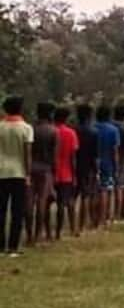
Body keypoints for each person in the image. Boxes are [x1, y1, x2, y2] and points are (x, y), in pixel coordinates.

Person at [0, 97, 33, 256]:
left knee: (1, 210)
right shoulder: (26, 128)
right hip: (19, 173)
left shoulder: (0, 126)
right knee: (17, 211)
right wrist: (28, 174)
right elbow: (27, 154)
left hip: (1, 172)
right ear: (20, 109)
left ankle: (0, 246)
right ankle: (13, 247)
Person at [28, 102, 57, 245]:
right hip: (45, 169)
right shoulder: (52, 131)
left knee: (29, 202)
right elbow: (54, 156)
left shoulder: (31, 129)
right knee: (42, 202)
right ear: (50, 114)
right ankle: (38, 234)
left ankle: (28, 235)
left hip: (30, 168)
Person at [52, 107, 80, 240]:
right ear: (66, 118)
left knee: (47, 204)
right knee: (66, 203)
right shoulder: (71, 133)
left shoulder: (52, 131)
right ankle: (70, 229)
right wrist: (75, 175)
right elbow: (73, 158)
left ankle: (50, 232)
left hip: (52, 173)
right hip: (66, 173)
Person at [95, 106, 121, 228]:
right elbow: (115, 150)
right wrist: (116, 166)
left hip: (94, 162)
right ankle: (104, 218)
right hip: (108, 163)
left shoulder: (94, 128)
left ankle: (94, 218)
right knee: (106, 190)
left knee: (95, 192)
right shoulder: (113, 130)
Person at [75, 105, 98, 233]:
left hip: (74, 165)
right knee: (85, 196)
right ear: (90, 116)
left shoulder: (73, 130)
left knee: (73, 196)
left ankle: (73, 224)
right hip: (88, 167)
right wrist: (96, 169)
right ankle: (82, 224)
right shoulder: (93, 132)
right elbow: (95, 154)